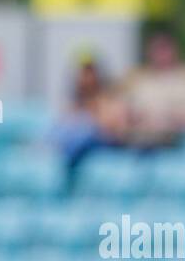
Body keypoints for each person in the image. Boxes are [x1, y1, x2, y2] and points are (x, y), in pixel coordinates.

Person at [118, 26, 185, 148]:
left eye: (164, 48)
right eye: (156, 48)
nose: (160, 54)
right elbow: (124, 113)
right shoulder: (138, 80)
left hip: (176, 143)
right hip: (140, 141)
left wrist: (162, 120)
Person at [49, 56, 127, 189]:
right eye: (83, 74)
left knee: (85, 135)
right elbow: (64, 121)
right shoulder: (77, 101)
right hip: (85, 141)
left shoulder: (106, 97)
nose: (85, 78)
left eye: (88, 74)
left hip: (104, 141)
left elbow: (111, 126)